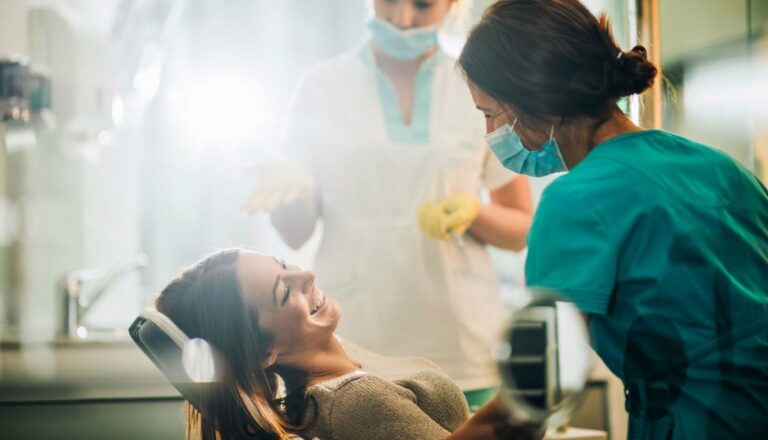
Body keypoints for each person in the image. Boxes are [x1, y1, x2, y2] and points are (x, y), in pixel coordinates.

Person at [457, 0, 768, 439]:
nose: (490, 134)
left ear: (534, 100)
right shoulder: (721, 167)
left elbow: (528, 401)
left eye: (489, 114)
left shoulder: (576, 201)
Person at [242, 0, 534, 406]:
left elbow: (521, 227)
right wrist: (294, 192)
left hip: (459, 344)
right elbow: (295, 234)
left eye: (423, 5)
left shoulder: (479, 89)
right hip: (356, 343)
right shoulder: (322, 87)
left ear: (452, 5)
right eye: (390, 1)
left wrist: (474, 213)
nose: (402, 19)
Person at [155, 249, 540, 440]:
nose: (307, 275)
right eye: (284, 292)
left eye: (286, 265)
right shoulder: (355, 400)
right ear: (263, 353)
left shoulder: (334, 361)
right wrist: (528, 398)